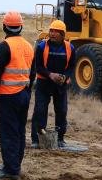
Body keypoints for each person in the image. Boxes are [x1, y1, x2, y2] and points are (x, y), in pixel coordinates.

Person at [0, 11, 35, 180]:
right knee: (18, 131)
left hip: (9, 96)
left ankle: (10, 170)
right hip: (24, 94)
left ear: (4, 26)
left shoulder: (5, 46)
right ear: (21, 26)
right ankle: (14, 164)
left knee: (8, 132)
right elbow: (32, 73)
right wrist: (28, 89)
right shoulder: (28, 45)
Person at [31, 20, 74, 149]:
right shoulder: (41, 47)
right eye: (51, 31)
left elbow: (71, 66)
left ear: (63, 34)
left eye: (56, 31)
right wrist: (50, 75)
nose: (52, 33)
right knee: (40, 110)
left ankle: (60, 139)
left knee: (61, 111)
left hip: (60, 85)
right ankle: (36, 139)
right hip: (44, 83)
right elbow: (37, 67)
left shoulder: (70, 48)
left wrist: (64, 76)